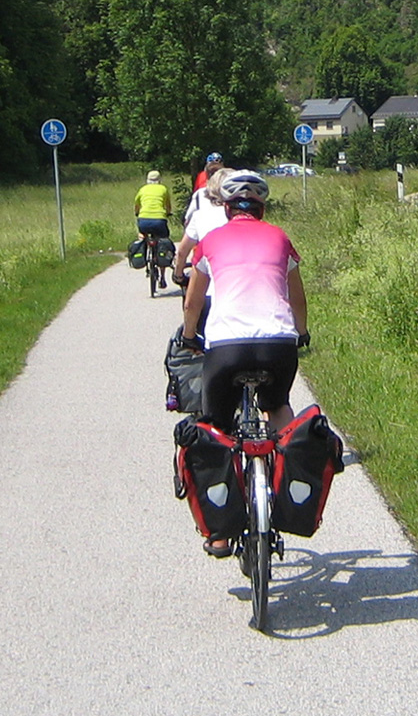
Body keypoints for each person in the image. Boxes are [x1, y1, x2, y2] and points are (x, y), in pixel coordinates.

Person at [182, 169, 308, 556]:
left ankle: (219, 533)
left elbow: (192, 302)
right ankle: (290, 480)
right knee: (278, 406)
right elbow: (298, 299)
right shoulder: (281, 238)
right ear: (261, 207)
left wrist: (190, 338)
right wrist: (301, 334)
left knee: (216, 428)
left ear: (225, 207)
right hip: (277, 344)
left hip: (226, 348)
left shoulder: (211, 240)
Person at [172, 167, 232, 313]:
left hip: (209, 294)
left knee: (193, 321)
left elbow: (182, 251)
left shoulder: (200, 215)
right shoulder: (245, 218)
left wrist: (178, 274)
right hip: (243, 294)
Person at [134, 170, 172, 289]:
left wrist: (137, 213)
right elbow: (167, 205)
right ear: (159, 180)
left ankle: (145, 261)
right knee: (163, 242)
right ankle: (162, 277)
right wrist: (168, 213)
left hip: (143, 220)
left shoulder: (142, 189)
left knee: (143, 236)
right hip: (159, 220)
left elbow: (137, 204)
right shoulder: (163, 189)